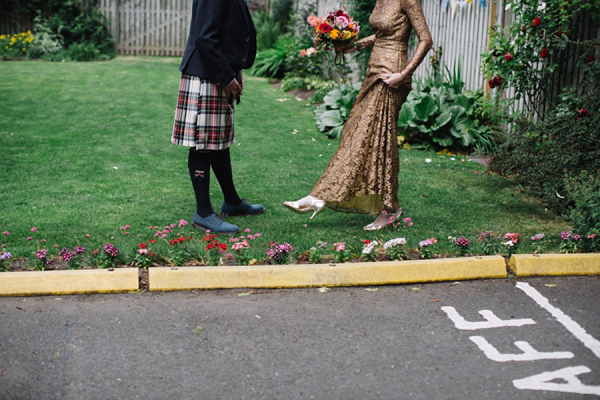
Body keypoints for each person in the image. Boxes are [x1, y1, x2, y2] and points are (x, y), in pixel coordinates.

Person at [284, 0, 432, 230]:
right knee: (357, 133)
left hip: (391, 76)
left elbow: (426, 39)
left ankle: (386, 207)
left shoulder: (408, 0)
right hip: (374, 69)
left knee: (376, 140)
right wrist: (356, 45)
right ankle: (325, 195)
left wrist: (403, 74)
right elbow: (382, 36)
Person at [172, 0, 264, 234]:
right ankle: (203, 213)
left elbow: (227, 32)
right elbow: (205, 38)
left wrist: (236, 70)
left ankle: (231, 202)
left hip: (217, 72)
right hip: (206, 75)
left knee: (218, 142)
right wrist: (225, 77)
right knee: (202, 145)